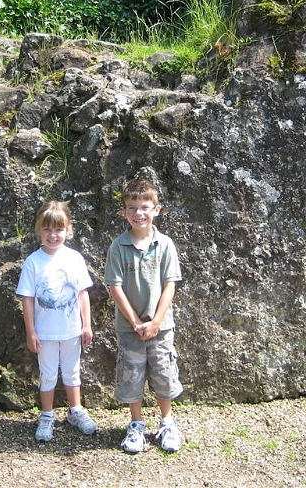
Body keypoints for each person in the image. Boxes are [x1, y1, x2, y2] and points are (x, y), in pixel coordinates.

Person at [104, 178, 184, 453]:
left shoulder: (165, 245)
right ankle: (136, 424)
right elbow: (114, 287)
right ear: (124, 212)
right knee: (132, 376)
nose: (139, 213)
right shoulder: (118, 247)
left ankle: (167, 422)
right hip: (130, 329)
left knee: (163, 374)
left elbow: (170, 285)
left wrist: (156, 321)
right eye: (132, 208)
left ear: (156, 209)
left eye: (145, 207)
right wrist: (136, 322)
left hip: (161, 327)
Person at [16, 200, 97, 442]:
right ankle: (47, 414)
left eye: (59, 230)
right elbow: (27, 299)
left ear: (68, 230)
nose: (53, 235)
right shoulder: (33, 262)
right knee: (48, 373)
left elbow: (82, 294)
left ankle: (75, 410)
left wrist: (86, 324)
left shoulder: (74, 259)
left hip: (72, 330)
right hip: (45, 333)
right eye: (47, 230)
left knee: (72, 372)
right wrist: (31, 331)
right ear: (39, 231)